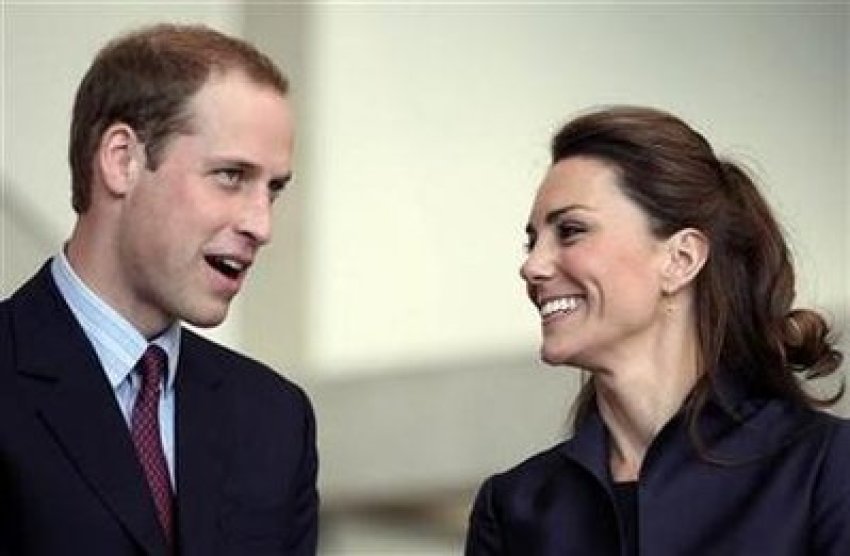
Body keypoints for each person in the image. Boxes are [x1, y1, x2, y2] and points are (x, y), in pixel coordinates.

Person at [465, 106, 850, 555]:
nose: (532, 266)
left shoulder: (827, 467)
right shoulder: (515, 507)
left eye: (570, 231)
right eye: (532, 242)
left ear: (680, 259)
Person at [0, 24, 318, 556]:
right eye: (231, 175)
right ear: (122, 160)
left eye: (274, 188)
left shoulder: (275, 421)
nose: (261, 225)